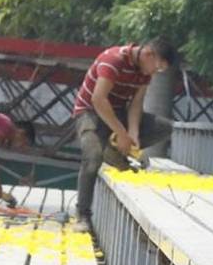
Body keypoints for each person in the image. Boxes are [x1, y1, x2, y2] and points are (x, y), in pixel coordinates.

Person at [72, 38, 179, 232]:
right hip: (90, 113)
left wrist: (133, 134)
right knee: (92, 158)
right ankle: (82, 215)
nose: (155, 73)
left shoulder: (144, 72)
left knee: (164, 127)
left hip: (118, 113)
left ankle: (114, 150)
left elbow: (136, 105)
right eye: (157, 68)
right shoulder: (112, 60)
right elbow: (98, 99)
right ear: (148, 54)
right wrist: (121, 133)